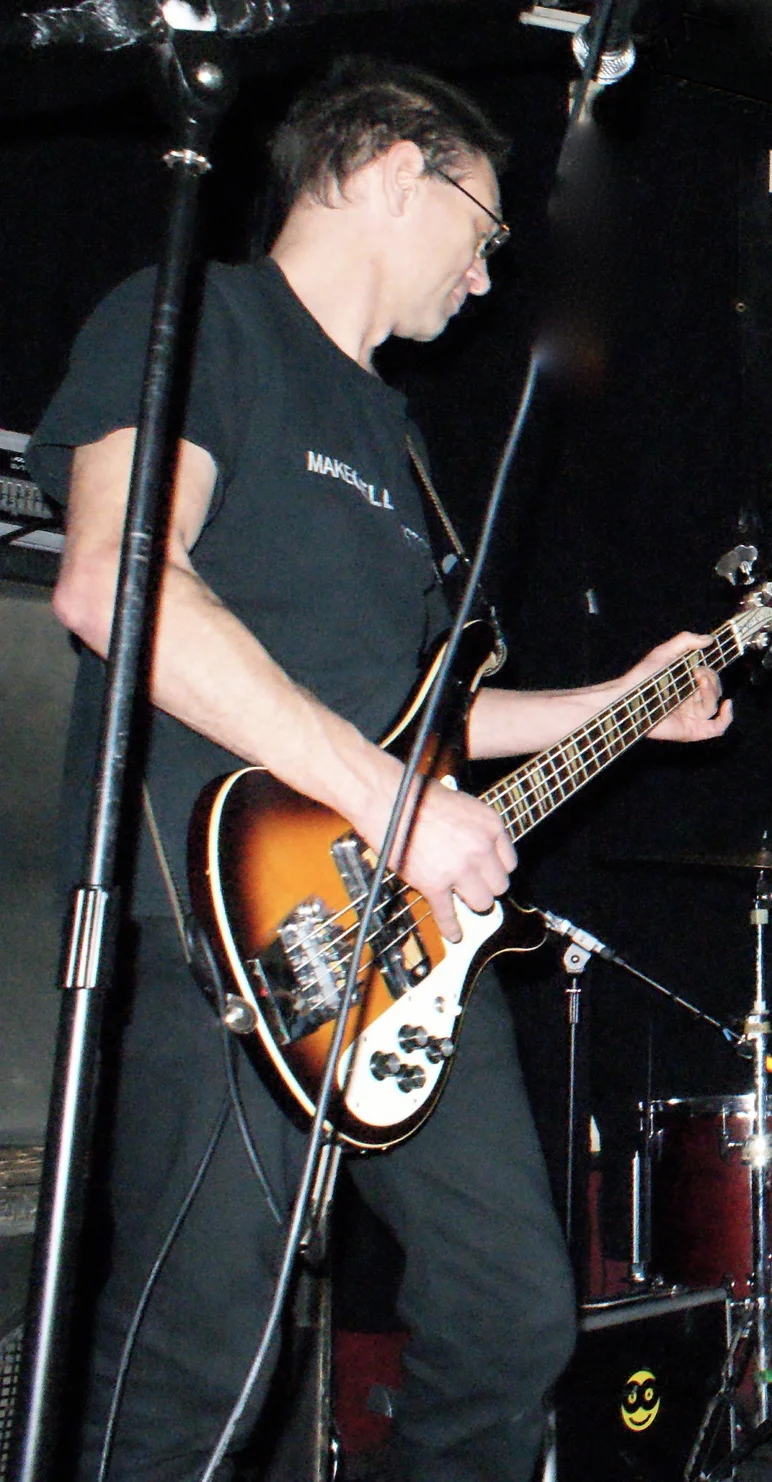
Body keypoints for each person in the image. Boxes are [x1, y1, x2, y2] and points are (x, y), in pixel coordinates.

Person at [38, 58, 733, 1481]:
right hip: (234, 917)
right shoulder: (197, 321)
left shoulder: (399, 440)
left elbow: (430, 720)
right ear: (385, 168)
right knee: (202, 1354)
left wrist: (618, 702)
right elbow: (120, 585)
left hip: (402, 939)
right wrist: (388, 799)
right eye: (485, 232)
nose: (489, 280)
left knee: (511, 1311)